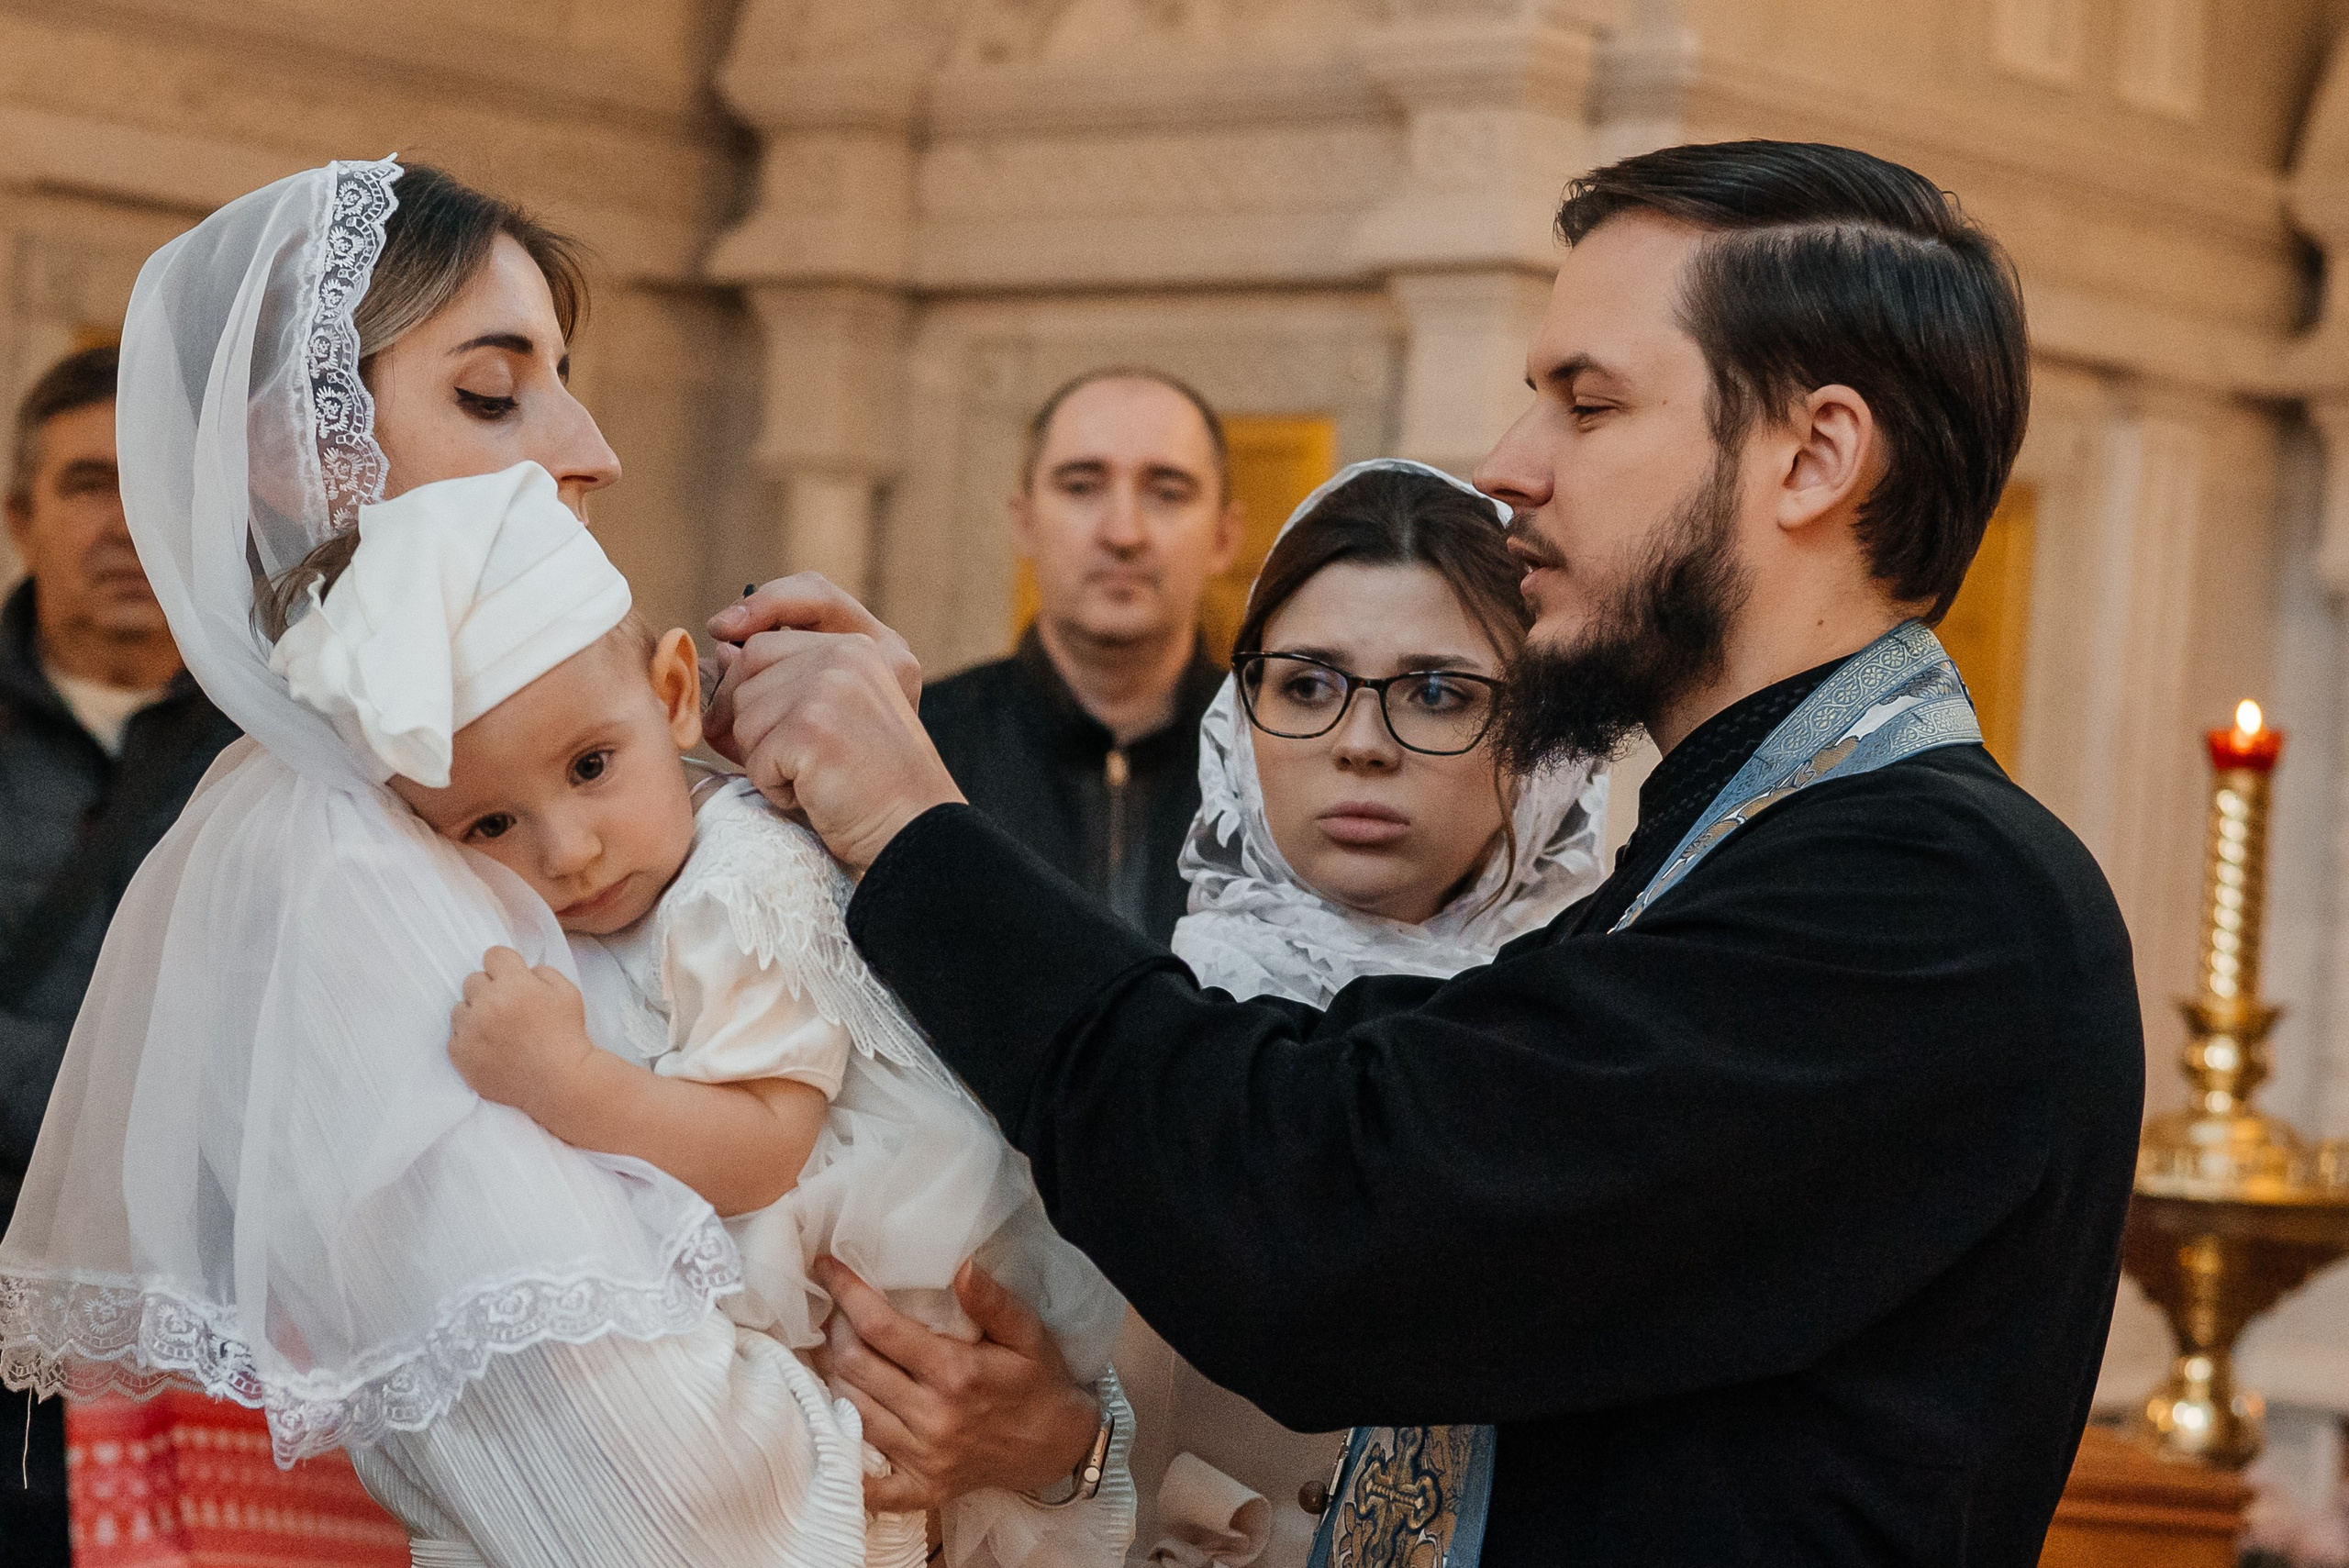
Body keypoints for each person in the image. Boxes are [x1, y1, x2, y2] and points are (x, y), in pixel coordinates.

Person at [706, 139, 2146, 1565]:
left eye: (1587, 405)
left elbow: (1330, 1207)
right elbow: (1350, 1109)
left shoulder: (1936, 897)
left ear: (1814, 455)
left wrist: (907, 821)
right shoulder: (1739, 852)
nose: (1510, 469)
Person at [0, 157, 1114, 1568]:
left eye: (567, 376)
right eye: (491, 390)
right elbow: (668, 1507)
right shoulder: (341, 860)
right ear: (300, 451)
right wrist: (995, 1453)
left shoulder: (482, 807)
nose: (593, 446)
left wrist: (889, 823)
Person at [285, 458, 1130, 1567]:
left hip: (887, 1279)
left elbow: (764, 1149)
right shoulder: (570, 907)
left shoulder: (740, 880)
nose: (567, 849)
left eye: (592, 764)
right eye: (488, 824)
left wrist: (565, 1081)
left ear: (677, 691)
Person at [1128, 458, 1605, 1568]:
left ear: (1538, 741)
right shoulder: (1154, 1029)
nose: (1361, 741)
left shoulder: (1600, 1033)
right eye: (1306, 683)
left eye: (1437, 691)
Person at [0, 344, 242, 1563]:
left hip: (187, 1335)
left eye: (154, 484)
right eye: (89, 481)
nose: (123, 522)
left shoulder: (281, 751)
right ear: (18, 513)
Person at [919, 369, 1239, 941]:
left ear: (1224, 537)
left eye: (1167, 493)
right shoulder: (921, 746)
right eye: (1081, 486)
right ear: (1024, 524)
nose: (1123, 533)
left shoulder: (1279, 760)